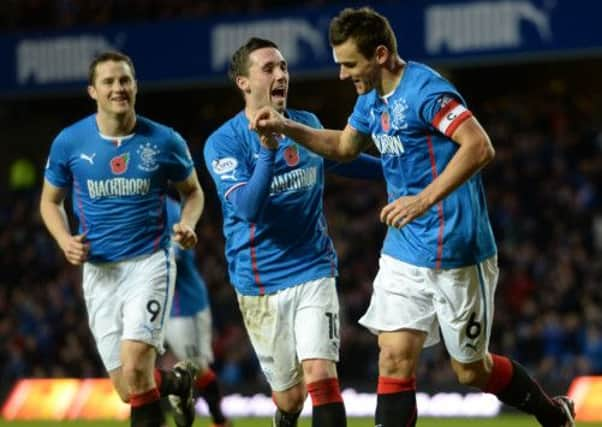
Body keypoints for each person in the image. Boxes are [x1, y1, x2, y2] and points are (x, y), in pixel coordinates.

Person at [250, 7, 576, 427]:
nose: (342, 75)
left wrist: (422, 200)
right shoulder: (369, 99)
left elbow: (479, 146)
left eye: (350, 64)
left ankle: (552, 413)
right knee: (393, 358)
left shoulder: (426, 92)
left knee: (469, 369)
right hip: (405, 250)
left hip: (458, 249)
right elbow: (346, 147)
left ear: (380, 54)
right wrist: (286, 127)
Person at [203, 37, 382, 427]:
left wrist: (394, 171)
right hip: (260, 282)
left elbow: (340, 159)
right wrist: (268, 150)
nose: (281, 74)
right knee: (290, 396)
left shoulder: (307, 125)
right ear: (243, 83)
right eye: (268, 68)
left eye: (283, 67)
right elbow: (248, 208)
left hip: (313, 267)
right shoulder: (224, 142)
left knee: (321, 376)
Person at [40, 51, 205, 427]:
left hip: (149, 263)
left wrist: (188, 223)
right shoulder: (69, 142)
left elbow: (193, 193)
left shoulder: (164, 140)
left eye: (125, 80)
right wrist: (64, 239)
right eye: (109, 82)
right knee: (129, 389)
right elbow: (50, 202)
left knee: (135, 364)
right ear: (92, 91)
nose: (118, 88)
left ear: (135, 86)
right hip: (100, 273)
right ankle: (179, 381)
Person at [164, 196, 231, 427]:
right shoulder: (140, 208)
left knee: (195, 368)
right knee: (195, 367)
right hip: (174, 304)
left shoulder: (169, 209)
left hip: (182, 305)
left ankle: (218, 421)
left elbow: (176, 254)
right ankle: (219, 421)